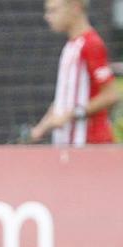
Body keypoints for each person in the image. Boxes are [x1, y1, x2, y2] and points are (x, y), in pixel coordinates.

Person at [29, 0, 119, 145]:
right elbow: (64, 98)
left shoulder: (91, 44)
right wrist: (41, 127)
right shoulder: (70, 46)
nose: (47, 17)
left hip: (90, 144)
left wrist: (71, 115)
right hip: (67, 145)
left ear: (75, 8)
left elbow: (111, 95)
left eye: (53, 10)